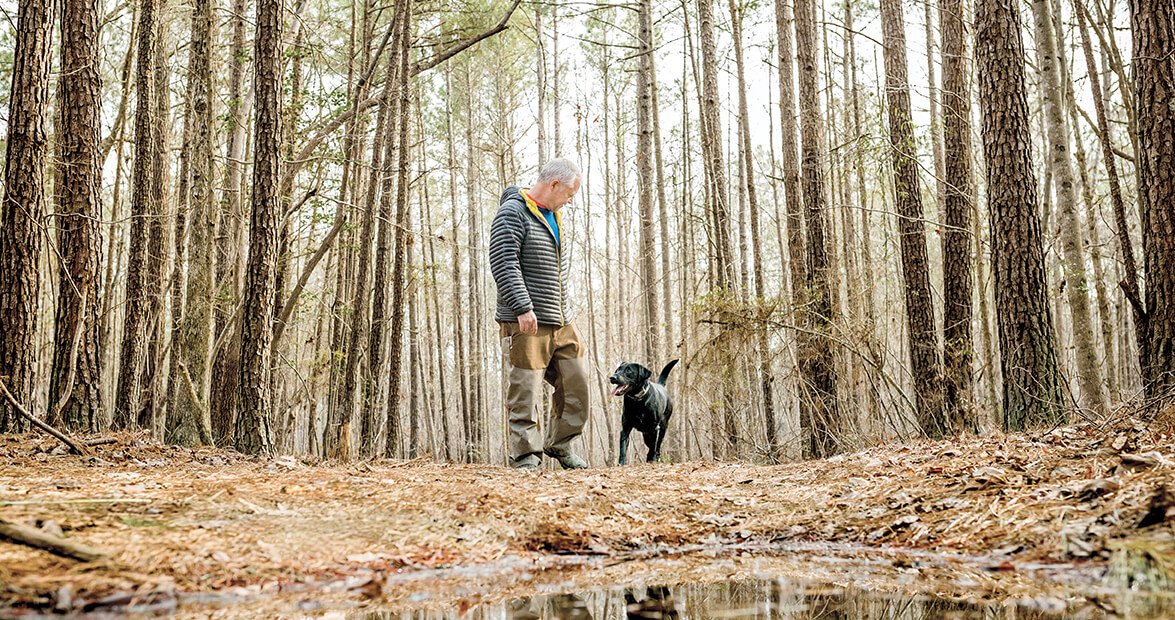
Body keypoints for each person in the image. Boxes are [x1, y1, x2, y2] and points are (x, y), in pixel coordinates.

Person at [489, 158, 590, 470]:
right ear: (554, 184)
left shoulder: (553, 215)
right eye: (570, 194)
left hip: (561, 317)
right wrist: (522, 307)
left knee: (576, 384)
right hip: (526, 319)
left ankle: (560, 445)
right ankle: (525, 458)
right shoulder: (513, 212)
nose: (571, 201)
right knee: (525, 391)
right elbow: (503, 261)